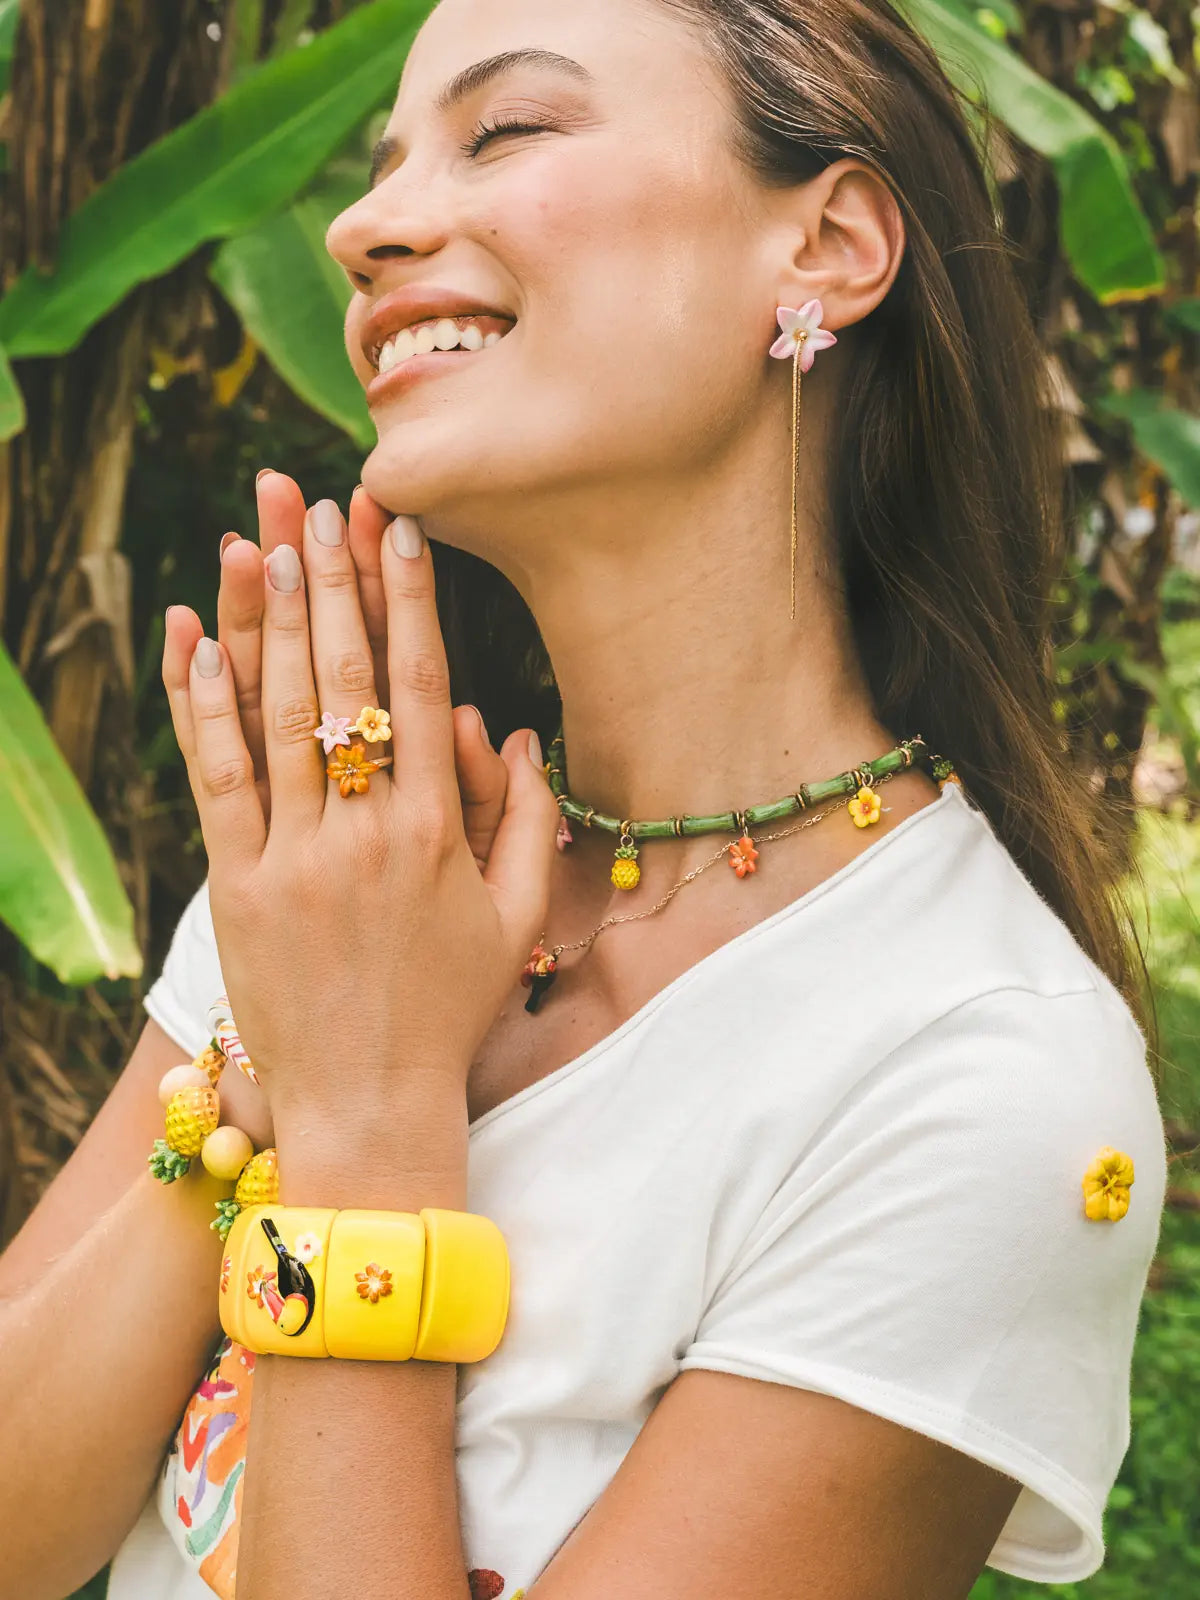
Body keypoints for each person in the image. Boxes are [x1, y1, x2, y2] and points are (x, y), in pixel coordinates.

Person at [0, 0, 1167, 1596]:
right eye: (383, 158)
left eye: (508, 130)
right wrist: (266, 1073)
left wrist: (363, 1121)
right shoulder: (366, 862)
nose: (357, 224)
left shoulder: (978, 1068)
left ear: (825, 246)